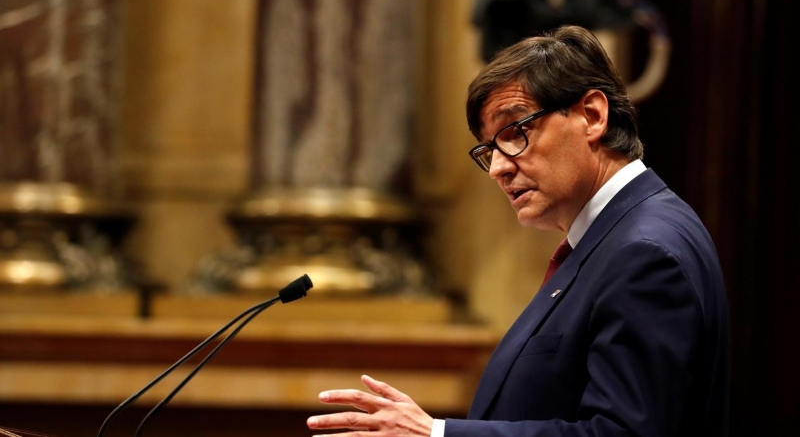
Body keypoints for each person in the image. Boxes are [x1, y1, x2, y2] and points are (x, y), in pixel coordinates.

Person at [306, 25, 730, 437]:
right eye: (488, 149)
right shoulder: (615, 236)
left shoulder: (643, 251)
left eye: (514, 133)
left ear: (592, 115)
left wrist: (436, 434)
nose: (498, 167)